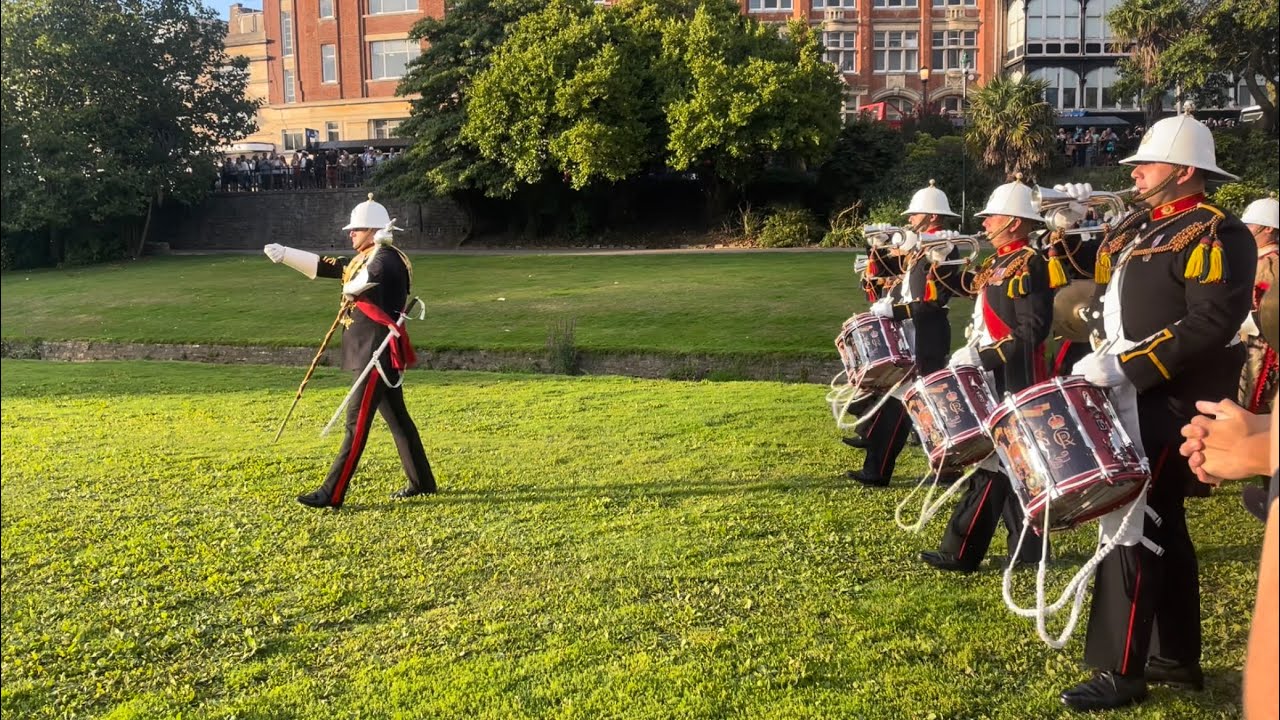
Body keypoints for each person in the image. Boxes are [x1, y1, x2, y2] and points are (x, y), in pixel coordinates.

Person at [1057, 112, 1256, 711]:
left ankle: (1121, 670)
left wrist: (1130, 366)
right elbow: (1087, 287)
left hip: (1169, 397)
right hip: (1128, 395)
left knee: (1131, 525)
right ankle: (1175, 657)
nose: (1135, 171)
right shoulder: (1139, 227)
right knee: (1163, 524)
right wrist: (1063, 229)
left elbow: (1212, 320)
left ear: (1185, 171)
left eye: (1146, 162)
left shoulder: (1216, 232)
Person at [263, 194, 436, 509]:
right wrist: (287, 255)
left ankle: (332, 493)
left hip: (375, 354)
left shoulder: (385, 257)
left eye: (356, 229)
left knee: (356, 426)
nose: (350, 234)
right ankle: (422, 482)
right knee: (399, 420)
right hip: (372, 351)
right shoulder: (371, 255)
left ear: (373, 230)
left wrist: (353, 286)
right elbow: (337, 269)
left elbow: (367, 279)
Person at [920, 176, 1051, 572]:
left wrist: (985, 357)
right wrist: (940, 259)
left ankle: (962, 551)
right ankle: (1027, 550)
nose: (986, 223)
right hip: (993, 374)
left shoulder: (1029, 262)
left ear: (1014, 221)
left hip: (1013, 377)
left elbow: (1032, 330)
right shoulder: (999, 261)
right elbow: (969, 287)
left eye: (991, 216)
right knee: (1010, 467)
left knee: (997, 466)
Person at [846, 181, 961, 486]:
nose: (910, 220)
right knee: (900, 402)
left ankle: (945, 467)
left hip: (927, 334)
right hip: (911, 333)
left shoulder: (945, 247)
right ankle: (878, 467)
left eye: (916, 215)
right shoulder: (921, 246)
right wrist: (875, 242)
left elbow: (934, 302)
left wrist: (895, 312)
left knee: (927, 406)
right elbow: (884, 267)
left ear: (933, 217)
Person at [1239, 197, 1279, 414]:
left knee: (1255, 405)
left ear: (1269, 229)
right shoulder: (1256, 259)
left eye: (1251, 225)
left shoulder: (1271, 264)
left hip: (1261, 347)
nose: (1246, 230)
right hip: (1246, 342)